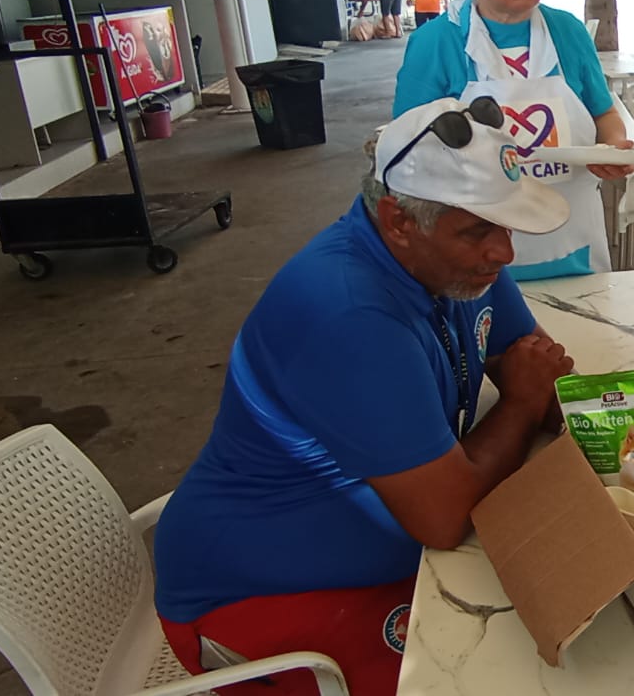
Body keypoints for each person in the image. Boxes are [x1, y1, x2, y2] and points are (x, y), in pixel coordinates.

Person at [154, 97, 578, 695]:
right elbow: (445, 517)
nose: (504, 253)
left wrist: (547, 398)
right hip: (256, 599)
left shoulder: (456, 257)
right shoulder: (348, 313)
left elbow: (533, 365)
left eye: (506, 224)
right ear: (398, 220)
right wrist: (519, 405)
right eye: (481, 230)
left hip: (379, 549)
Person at [395, 0, 634, 281]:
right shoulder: (436, 42)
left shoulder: (568, 32)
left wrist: (612, 147)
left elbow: (604, 114)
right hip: (479, 257)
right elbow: (406, 153)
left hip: (574, 242)